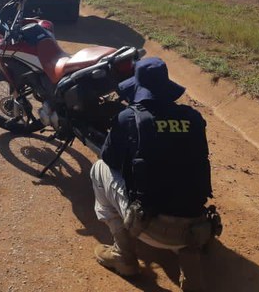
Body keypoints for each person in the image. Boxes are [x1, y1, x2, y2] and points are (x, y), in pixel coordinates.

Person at [90, 57, 219, 292]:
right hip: (196, 228)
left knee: (99, 169)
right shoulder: (193, 118)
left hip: (148, 227)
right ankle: (191, 271)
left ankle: (123, 256)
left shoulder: (129, 118)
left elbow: (110, 159)